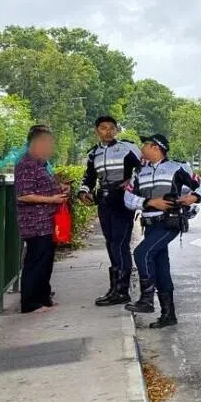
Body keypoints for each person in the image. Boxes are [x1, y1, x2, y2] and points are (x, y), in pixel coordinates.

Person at [123, 134, 201, 328]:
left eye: (145, 144)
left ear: (155, 147)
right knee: (161, 267)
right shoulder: (140, 172)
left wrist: (194, 197)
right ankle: (168, 315)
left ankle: (146, 299)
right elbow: (128, 199)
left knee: (142, 253)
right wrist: (150, 202)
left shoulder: (178, 168)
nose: (142, 148)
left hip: (169, 223)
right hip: (149, 224)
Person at [78, 116, 142, 306]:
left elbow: (144, 168)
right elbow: (89, 177)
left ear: (116, 130)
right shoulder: (93, 153)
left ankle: (122, 290)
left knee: (120, 243)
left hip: (122, 200)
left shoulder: (128, 148)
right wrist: (83, 192)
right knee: (110, 242)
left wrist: (131, 182)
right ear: (96, 130)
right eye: (103, 128)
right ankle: (115, 288)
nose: (108, 131)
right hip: (104, 201)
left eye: (111, 128)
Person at [14, 125, 70, 314]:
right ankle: (30, 303)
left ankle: (43, 298)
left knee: (45, 262)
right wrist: (52, 199)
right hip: (35, 223)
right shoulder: (26, 164)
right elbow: (24, 195)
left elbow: (43, 187)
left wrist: (60, 189)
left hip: (47, 222)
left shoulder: (41, 164)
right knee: (35, 261)